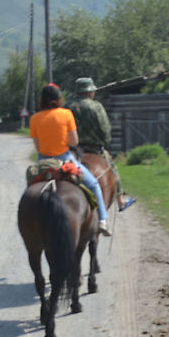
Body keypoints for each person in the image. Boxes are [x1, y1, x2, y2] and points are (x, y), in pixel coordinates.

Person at [29, 83, 111, 236]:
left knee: (31, 188)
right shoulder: (66, 114)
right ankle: (102, 221)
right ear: (59, 98)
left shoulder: (34, 118)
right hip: (65, 159)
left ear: (42, 100)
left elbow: (38, 146)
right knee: (93, 184)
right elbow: (74, 142)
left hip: (43, 161)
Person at [68, 77, 135, 211]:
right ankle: (121, 200)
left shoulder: (67, 107)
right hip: (94, 148)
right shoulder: (96, 106)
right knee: (112, 167)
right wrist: (105, 143)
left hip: (72, 150)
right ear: (89, 92)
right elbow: (105, 128)